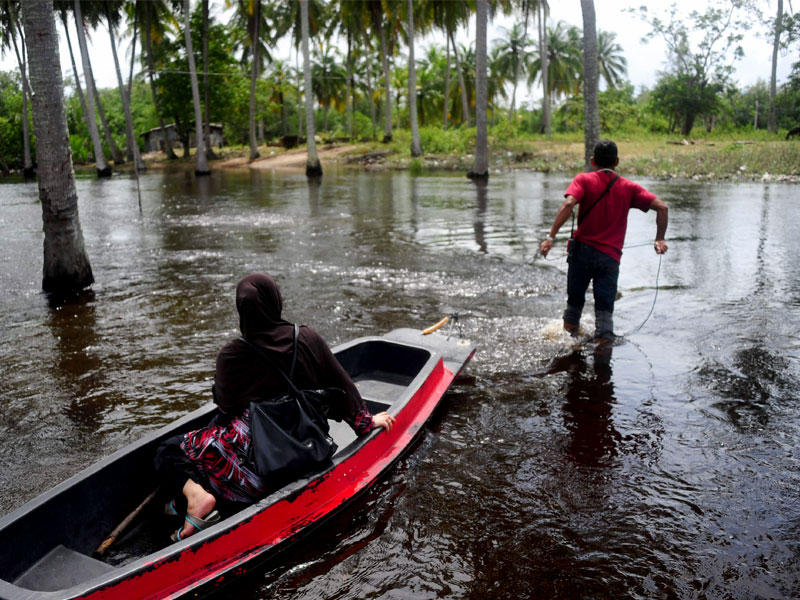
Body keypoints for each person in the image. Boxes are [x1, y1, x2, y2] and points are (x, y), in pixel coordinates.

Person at [154, 273, 395, 541]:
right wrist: (364, 422)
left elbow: (226, 405)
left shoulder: (233, 354)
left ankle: (197, 497)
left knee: (169, 450)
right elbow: (341, 387)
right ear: (275, 301)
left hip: (258, 473)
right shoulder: (307, 338)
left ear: (242, 311)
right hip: (308, 450)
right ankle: (190, 501)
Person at [539, 139, 668, 343]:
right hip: (609, 259)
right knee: (605, 316)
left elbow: (568, 203)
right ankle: (603, 363)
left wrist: (550, 237)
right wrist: (659, 238)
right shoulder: (628, 187)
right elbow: (662, 207)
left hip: (581, 254)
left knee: (573, 307)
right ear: (617, 162)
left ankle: (569, 353)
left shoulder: (583, 180)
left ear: (592, 161)